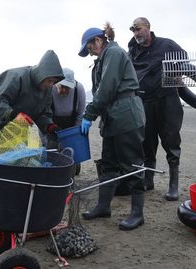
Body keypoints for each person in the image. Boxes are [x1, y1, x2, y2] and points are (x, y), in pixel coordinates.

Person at [78, 23, 146, 231]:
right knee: (108, 163)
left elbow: (106, 88)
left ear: (98, 40)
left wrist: (89, 114)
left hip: (126, 115)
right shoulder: (102, 60)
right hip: (113, 118)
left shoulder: (114, 53)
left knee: (132, 164)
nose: (90, 53)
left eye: (90, 48)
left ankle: (137, 213)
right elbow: (99, 90)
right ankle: (103, 206)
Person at [127, 17, 185, 201]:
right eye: (133, 30)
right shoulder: (133, 50)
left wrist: (178, 75)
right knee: (147, 142)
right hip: (144, 101)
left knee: (171, 140)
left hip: (168, 100)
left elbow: (184, 59)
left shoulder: (166, 45)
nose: (136, 34)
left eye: (138, 29)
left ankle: (173, 185)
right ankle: (148, 179)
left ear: (148, 28)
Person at [0, 50, 64, 149]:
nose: (50, 85)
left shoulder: (47, 89)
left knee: (17, 154)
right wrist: (15, 116)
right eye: (49, 81)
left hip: (17, 126)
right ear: (42, 74)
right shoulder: (16, 77)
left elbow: (43, 113)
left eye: (54, 82)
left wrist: (49, 126)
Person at [41, 68, 86, 174]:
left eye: (68, 88)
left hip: (71, 124)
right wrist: (44, 141)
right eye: (62, 87)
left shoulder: (79, 89)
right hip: (52, 123)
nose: (64, 91)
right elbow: (42, 117)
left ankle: (72, 169)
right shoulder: (49, 89)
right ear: (56, 83)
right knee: (51, 151)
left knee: (71, 153)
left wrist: (76, 135)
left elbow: (80, 115)